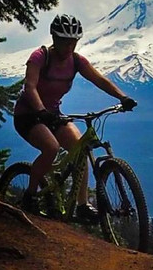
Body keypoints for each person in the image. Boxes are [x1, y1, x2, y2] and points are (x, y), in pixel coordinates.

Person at [12, 13, 137, 215]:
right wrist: (41, 111)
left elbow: (100, 80)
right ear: (54, 39)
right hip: (27, 115)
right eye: (64, 42)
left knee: (80, 148)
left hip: (53, 114)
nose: (69, 47)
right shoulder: (40, 57)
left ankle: (82, 205)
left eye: (73, 42)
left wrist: (123, 97)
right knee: (51, 147)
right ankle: (30, 195)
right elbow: (30, 87)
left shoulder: (76, 61)